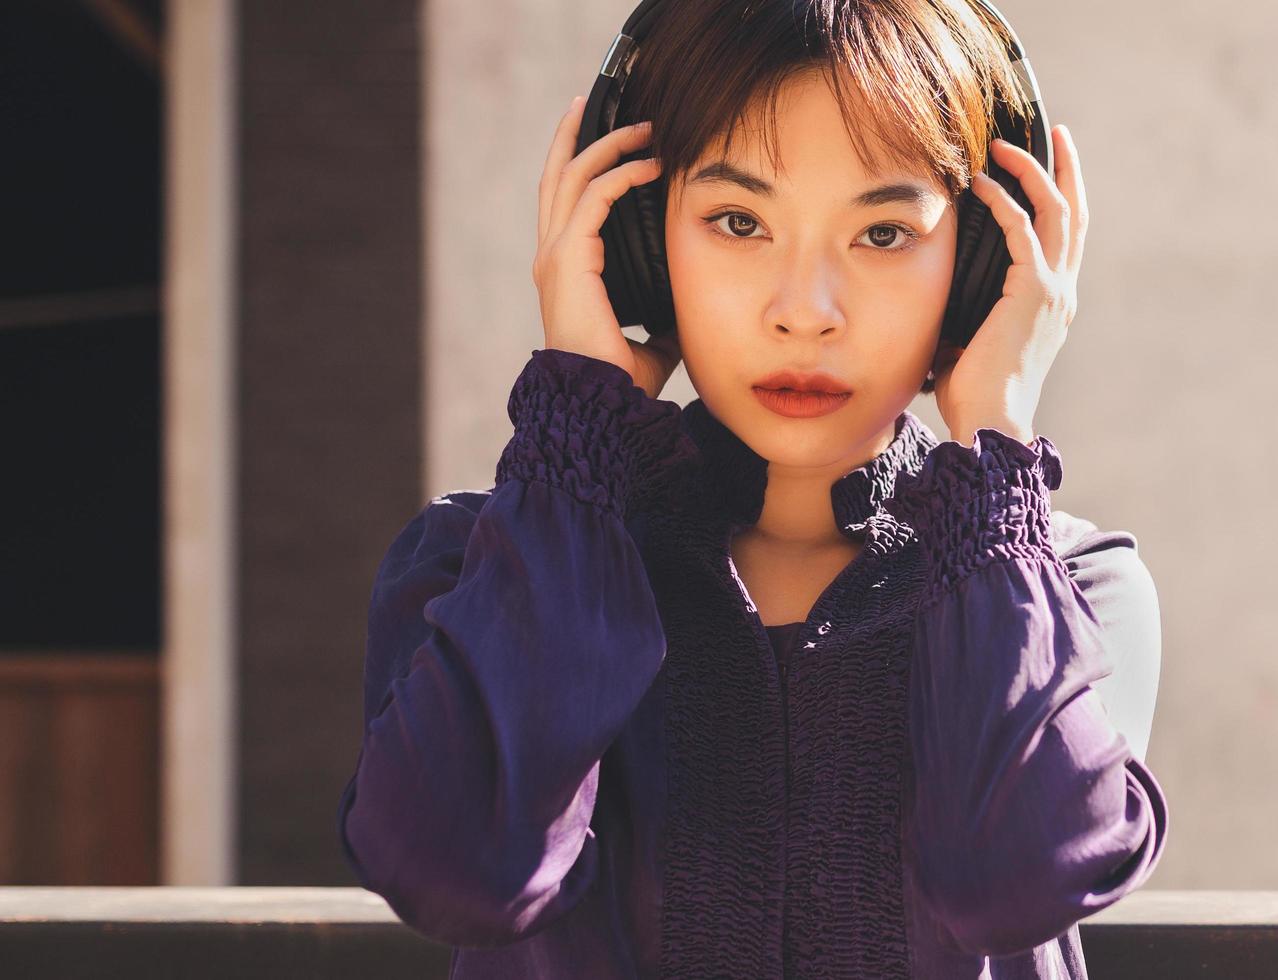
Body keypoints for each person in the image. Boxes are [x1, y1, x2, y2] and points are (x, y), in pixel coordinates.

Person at [334, 1, 1168, 975]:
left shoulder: (1072, 588)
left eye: (886, 233)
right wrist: (577, 437)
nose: (804, 311)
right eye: (739, 221)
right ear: (642, 243)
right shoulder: (471, 572)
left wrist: (995, 433)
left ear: (982, 262)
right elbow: (461, 870)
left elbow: (1015, 878)